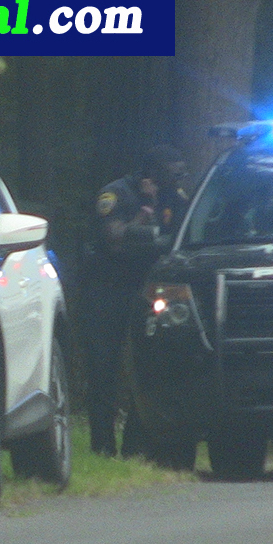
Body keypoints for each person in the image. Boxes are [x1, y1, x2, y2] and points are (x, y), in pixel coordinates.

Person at [81, 145, 192, 456]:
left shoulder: (176, 198)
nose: (179, 179)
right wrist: (145, 210)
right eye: (173, 173)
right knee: (104, 368)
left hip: (148, 290)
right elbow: (114, 240)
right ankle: (102, 446)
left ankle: (136, 446)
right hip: (108, 289)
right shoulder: (117, 195)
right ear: (152, 173)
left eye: (182, 173)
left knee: (151, 366)